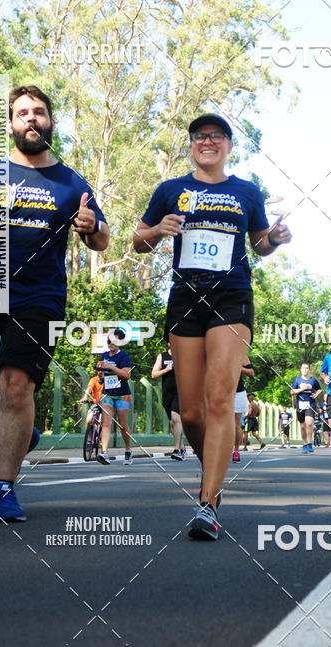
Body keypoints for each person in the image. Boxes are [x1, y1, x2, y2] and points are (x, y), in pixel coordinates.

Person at [0, 85, 109, 521]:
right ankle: (23, 434)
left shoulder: (71, 182)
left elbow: (102, 240)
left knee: (17, 386)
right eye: (21, 113)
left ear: (50, 122)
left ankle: (3, 486)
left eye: (38, 112)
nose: (30, 118)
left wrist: (90, 227)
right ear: (12, 125)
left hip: (41, 298)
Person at [134, 113, 291, 540]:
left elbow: (259, 244)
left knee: (220, 399)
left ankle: (207, 502)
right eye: (201, 136)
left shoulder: (245, 191)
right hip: (185, 298)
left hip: (231, 297)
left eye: (216, 136)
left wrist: (274, 239)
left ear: (228, 146)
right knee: (190, 411)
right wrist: (158, 230)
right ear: (190, 145)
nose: (208, 141)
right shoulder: (171, 190)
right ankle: (214, 474)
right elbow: (137, 239)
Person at [96, 329, 134, 466]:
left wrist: (111, 368)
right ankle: (104, 453)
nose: (110, 344)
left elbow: (126, 375)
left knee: (123, 426)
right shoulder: (104, 355)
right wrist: (101, 376)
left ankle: (128, 450)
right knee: (106, 424)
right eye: (108, 341)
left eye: (114, 341)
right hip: (107, 393)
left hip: (123, 395)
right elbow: (104, 375)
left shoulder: (123, 356)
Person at [152, 346, 185, 460]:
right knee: (172, 423)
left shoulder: (184, 354)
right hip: (167, 394)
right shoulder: (162, 356)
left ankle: (177, 450)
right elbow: (154, 374)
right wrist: (167, 369)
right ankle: (182, 447)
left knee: (176, 419)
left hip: (181, 392)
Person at [290, 362, 322, 453]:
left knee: (309, 422)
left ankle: (309, 443)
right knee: (303, 426)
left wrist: (316, 394)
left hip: (310, 404)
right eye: (303, 368)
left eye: (307, 368)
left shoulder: (313, 380)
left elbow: (319, 389)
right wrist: (302, 389)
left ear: (309, 370)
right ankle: (304, 444)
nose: (305, 370)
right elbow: (292, 392)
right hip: (300, 405)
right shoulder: (297, 380)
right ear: (300, 370)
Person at [78, 362, 107, 444]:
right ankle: (89, 440)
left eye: (102, 370)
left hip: (106, 404)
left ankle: (102, 441)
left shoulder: (108, 380)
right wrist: (85, 397)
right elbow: (89, 388)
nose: (100, 372)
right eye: (99, 370)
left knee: (105, 423)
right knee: (88, 420)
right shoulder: (93, 379)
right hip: (96, 404)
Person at [233, 362, 255, 462]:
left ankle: (236, 451)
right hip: (219, 390)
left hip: (237, 392)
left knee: (237, 424)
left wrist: (238, 368)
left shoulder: (240, 354)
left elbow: (251, 372)